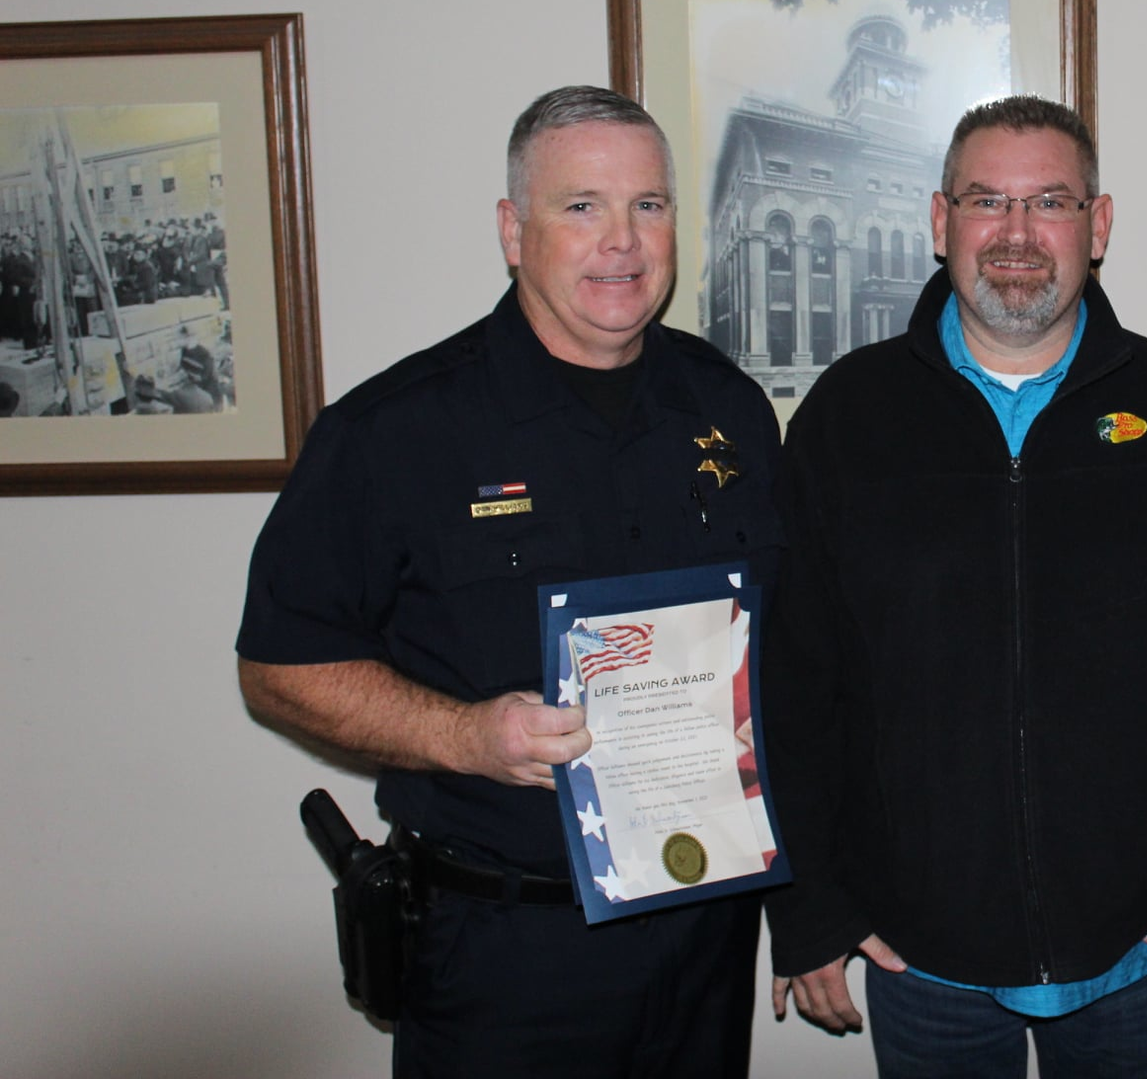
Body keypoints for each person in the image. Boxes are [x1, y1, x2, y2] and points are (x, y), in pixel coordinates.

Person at [236, 85, 779, 1079]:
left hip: (703, 935)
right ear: (512, 230)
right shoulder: (394, 432)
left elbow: (781, 638)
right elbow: (278, 665)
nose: (621, 241)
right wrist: (467, 734)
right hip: (503, 950)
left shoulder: (728, 407)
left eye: (647, 206)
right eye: (581, 207)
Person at [764, 95, 1147, 1078]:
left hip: (1143, 948)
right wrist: (807, 904)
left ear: (1097, 226)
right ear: (939, 222)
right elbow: (796, 686)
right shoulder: (849, 417)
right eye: (985, 202)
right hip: (921, 953)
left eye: (1049, 202)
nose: (1015, 234)